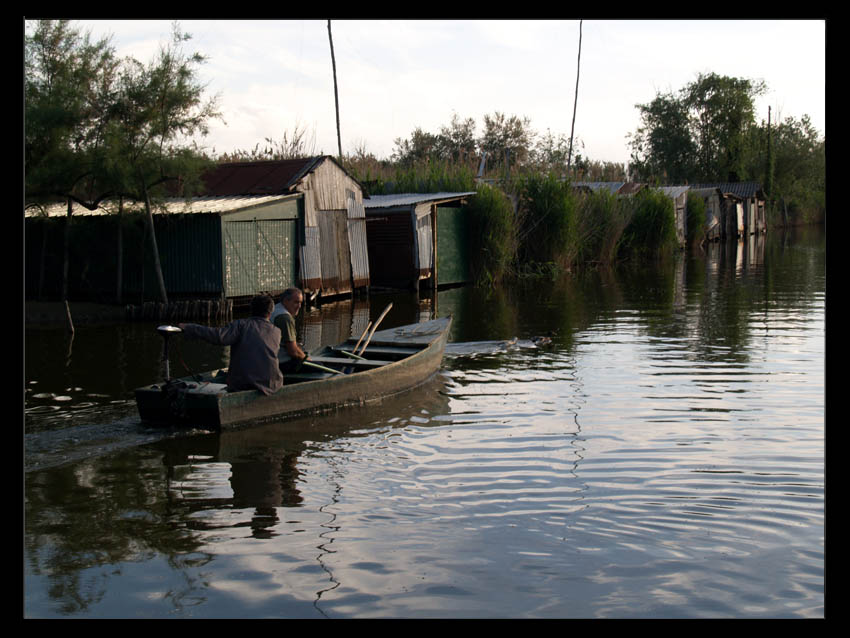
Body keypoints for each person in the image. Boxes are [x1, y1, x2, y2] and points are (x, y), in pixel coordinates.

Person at [178, 295, 283, 395]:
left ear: (251, 310)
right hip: (272, 384)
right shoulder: (276, 331)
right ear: (270, 313)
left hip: (244, 383)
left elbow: (219, 336)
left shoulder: (241, 325)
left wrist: (190, 327)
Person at [273, 288, 308, 372]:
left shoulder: (275, 309)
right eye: (296, 302)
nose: (299, 306)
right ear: (285, 301)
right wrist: (307, 359)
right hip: (281, 363)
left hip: (271, 360)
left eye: (300, 303)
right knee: (319, 366)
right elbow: (293, 352)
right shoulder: (284, 318)